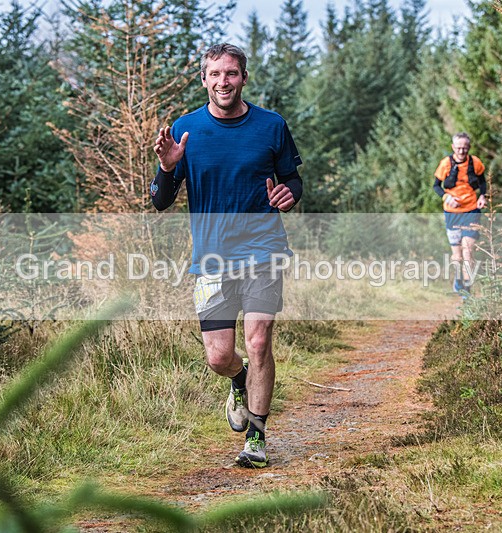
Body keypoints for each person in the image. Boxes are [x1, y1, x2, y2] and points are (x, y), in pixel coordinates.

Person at [149, 43, 303, 468]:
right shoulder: (186, 130)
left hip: (263, 251)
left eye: (231, 73)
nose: (223, 82)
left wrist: (290, 195)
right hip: (212, 260)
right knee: (219, 356)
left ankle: (257, 438)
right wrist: (166, 168)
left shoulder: (271, 127)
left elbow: (292, 180)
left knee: (258, 343)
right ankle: (237, 379)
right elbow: (161, 202)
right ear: (204, 79)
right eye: (215, 74)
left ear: (244, 78)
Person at [432, 132, 487, 294]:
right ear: (453, 147)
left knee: (468, 251)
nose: (462, 151)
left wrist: (482, 196)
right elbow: (436, 186)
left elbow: (483, 181)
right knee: (457, 255)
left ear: (469, 147)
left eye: (465, 148)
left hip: (471, 210)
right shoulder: (445, 164)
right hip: (452, 213)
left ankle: (467, 291)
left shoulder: (475, 162)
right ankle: (458, 280)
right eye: (458, 148)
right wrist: (446, 196)